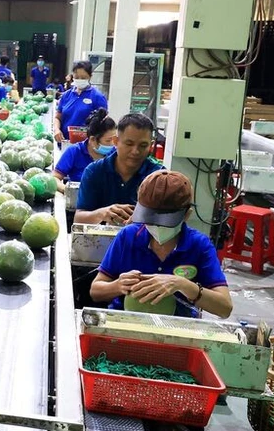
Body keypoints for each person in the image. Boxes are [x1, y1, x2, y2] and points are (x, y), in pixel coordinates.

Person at [90, 170, 232, 319]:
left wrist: (182, 285)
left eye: (165, 223)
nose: (157, 228)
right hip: (124, 322)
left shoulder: (199, 246)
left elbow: (225, 308)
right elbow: (96, 291)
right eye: (151, 220)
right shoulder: (128, 237)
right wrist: (118, 286)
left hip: (177, 328)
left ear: (187, 215)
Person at [75, 113, 162, 225]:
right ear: (116, 141)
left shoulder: (157, 177)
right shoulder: (94, 171)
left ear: (151, 145)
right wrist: (102, 213)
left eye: (143, 145)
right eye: (129, 144)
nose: (135, 151)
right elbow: (79, 218)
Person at [52, 108, 116, 191]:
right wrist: (70, 192)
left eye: (114, 139)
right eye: (108, 140)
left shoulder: (114, 154)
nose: (112, 144)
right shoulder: (74, 152)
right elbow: (55, 178)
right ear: (92, 139)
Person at [53, 61, 107, 143]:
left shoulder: (97, 97)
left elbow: (103, 124)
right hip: (64, 142)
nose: (79, 80)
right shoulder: (66, 95)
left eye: (83, 77)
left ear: (90, 76)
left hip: (86, 146)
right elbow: (57, 117)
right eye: (77, 77)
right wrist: (56, 129)